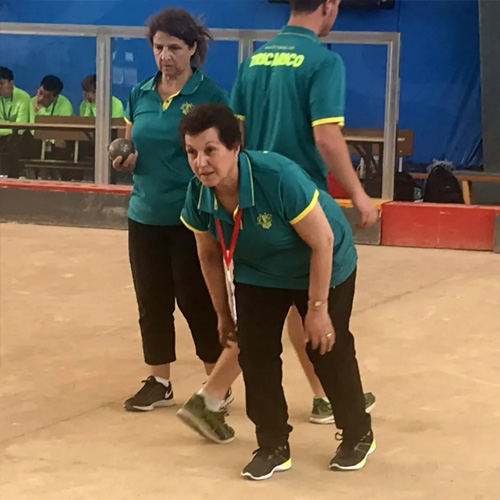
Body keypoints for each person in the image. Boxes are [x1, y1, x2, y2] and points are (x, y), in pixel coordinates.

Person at [179, 0, 376, 431]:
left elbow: (237, 136)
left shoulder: (253, 62)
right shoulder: (323, 61)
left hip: (246, 197)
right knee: (295, 304)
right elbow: (326, 137)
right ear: (329, 5)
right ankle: (211, 396)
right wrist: (360, 194)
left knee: (277, 309)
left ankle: (322, 395)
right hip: (297, 197)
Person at [179, 102, 375, 480]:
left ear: (235, 148)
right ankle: (272, 445)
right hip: (259, 270)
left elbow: (322, 241)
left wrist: (317, 310)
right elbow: (207, 254)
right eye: (192, 152)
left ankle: (357, 434)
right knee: (255, 353)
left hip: (323, 262)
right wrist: (223, 313)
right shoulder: (198, 193)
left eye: (210, 150)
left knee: (325, 348)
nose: (201, 163)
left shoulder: (277, 177)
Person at [111, 8, 232, 418]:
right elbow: (132, 143)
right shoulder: (140, 94)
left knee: (196, 299)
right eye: (159, 47)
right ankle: (159, 381)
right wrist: (127, 160)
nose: (165, 56)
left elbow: (225, 156)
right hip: (144, 212)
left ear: (193, 49)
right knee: (152, 299)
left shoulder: (211, 95)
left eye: (175, 48)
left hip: (192, 216)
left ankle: (216, 382)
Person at [0, 66, 31, 177]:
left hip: (18, 137)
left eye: (1, 83)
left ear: (11, 83)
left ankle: (13, 177)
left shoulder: (23, 97)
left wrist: (5, 129)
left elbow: (20, 127)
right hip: (4, 135)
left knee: (13, 141)